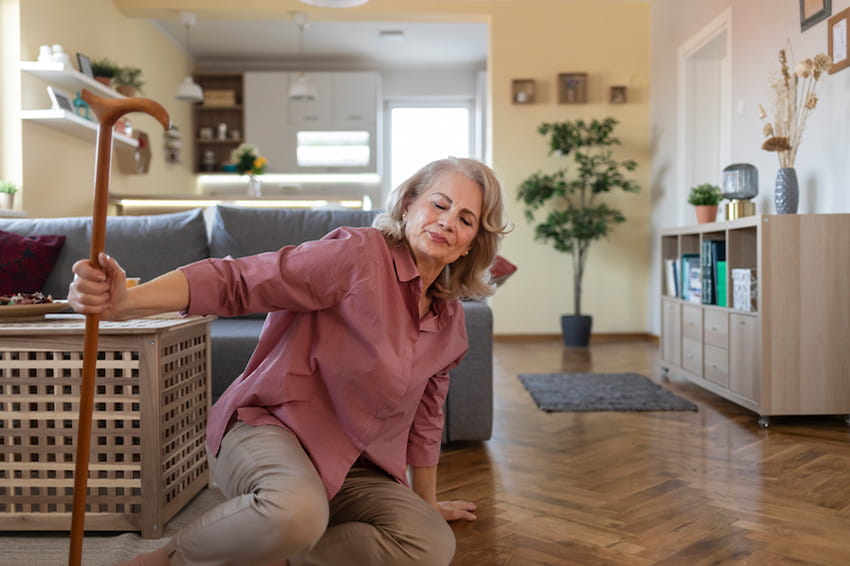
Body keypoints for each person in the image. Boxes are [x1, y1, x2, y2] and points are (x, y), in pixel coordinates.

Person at [68, 157, 510, 566]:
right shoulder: (358, 255)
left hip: (355, 468)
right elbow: (240, 281)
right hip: (270, 430)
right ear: (410, 204)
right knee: (297, 513)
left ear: (472, 243)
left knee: (429, 543)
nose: (448, 222)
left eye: (465, 219)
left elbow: (426, 422)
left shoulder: (450, 321)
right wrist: (128, 302)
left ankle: (273, 553)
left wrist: (426, 502)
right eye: (440, 204)